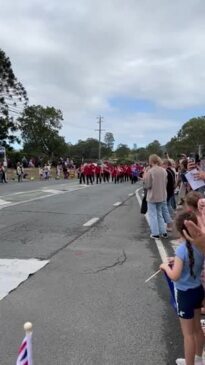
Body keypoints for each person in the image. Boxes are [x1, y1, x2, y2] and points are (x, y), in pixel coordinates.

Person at [160, 211, 205, 365]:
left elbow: (175, 276)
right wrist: (176, 261)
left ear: (180, 230)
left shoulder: (181, 250)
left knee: (188, 334)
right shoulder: (200, 246)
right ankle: (199, 358)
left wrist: (166, 266)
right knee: (197, 328)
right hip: (198, 290)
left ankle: (189, 363)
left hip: (185, 295)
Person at [143, 154, 168, 239]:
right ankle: (163, 232)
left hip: (153, 196)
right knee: (159, 214)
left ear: (151, 161)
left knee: (152, 215)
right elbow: (165, 183)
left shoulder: (150, 171)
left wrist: (144, 178)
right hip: (162, 195)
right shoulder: (164, 170)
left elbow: (148, 185)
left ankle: (155, 233)